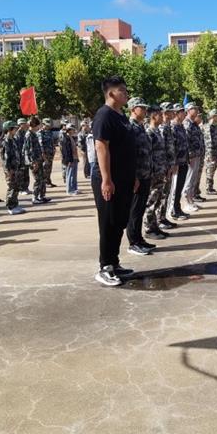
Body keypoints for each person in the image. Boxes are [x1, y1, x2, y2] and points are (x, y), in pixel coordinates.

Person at [91, 75, 137, 286]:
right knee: (108, 223)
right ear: (111, 93)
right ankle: (105, 267)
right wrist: (106, 179)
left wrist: (133, 177)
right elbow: (101, 147)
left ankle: (114, 262)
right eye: (122, 90)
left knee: (119, 222)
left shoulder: (121, 115)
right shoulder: (104, 115)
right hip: (109, 179)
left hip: (124, 179)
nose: (126, 94)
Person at [125, 97, 155, 256]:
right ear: (133, 109)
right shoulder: (130, 127)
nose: (144, 110)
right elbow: (130, 154)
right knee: (134, 210)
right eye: (141, 108)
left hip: (145, 174)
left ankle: (139, 238)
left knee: (141, 208)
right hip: (137, 176)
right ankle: (133, 242)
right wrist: (134, 176)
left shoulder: (140, 126)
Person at [144, 104, 171, 241]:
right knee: (151, 200)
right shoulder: (149, 133)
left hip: (161, 171)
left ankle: (154, 226)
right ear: (153, 116)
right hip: (154, 173)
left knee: (158, 200)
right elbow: (148, 155)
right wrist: (153, 172)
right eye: (160, 115)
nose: (162, 117)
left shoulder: (157, 131)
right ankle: (149, 228)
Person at [156, 104, 178, 231]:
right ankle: (159, 219)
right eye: (170, 111)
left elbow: (171, 147)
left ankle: (163, 217)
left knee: (166, 192)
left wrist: (173, 163)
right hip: (163, 166)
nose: (173, 113)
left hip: (169, 165)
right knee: (162, 194)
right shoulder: (162, 128)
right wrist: (168, 165)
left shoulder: (168, 127)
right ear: (165, 113)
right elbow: (162, 149)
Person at [182, 102, 204, 212]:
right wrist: (189, 155)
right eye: (194, 108)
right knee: (189, 179)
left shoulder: (193, 123)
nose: (196, 110)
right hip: (191, 156)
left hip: (197, 154)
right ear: (188, 110)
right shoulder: (187, 123)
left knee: (193, 179)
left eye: (196, 108)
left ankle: (190, 200)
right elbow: (186, 141)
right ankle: (186, 202)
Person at [0, 121, 26, 215]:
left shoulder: (13, 139)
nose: (16, 130)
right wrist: (9, 170)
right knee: (11, 187)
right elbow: (5, 158)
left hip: (16, 167)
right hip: (10, 169)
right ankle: (10, 206)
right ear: (9, 129)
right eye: (14, 128)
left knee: (16, 187)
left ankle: (15, 204)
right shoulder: (5, 141)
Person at [170, 103, 190, 221]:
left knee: (180, 187)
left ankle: (178, 208)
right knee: (175, 188)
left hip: (184, 161)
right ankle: (173, 211)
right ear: (176, 113)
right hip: (177, 164)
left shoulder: (181, 126)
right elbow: (172, 147)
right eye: (182, 112)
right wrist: (174, 163)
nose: (184, 114)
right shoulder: (172, 127)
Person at [26, 117, 49, 205]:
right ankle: (35, 197)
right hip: (34, 162)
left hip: (39, 160)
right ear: (34, 125)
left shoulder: (34, 134)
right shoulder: (29, 135)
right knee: (37, 179)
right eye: (38, 125)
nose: (39, 127)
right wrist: (33, 162)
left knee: (42, 178)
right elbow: (30, 150)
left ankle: (41, 196)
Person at [203, 109, 217, 196]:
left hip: (214, 153)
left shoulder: (214, 127)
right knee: (210, 170)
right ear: (213, 116)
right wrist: (211, 154)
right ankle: (209, 188)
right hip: (210, 154)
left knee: (212, 170)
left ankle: (210, 187)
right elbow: (209, 142)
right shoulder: (208, 127)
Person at [60, 123, 80, 195]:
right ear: (69, 130)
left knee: (74, 175)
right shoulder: (65, 138)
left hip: (75, 158)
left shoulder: (71, 137)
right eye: (72, 129)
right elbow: (66, 151)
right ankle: (69, 190)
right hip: (70, 159)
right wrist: (68, 160)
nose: (74, 131)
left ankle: (74, 188)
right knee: (70, 174)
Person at [40, 118, 58, 188]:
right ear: (43, 124)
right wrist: (43, 155)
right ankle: (44, 182)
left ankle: (48, 181)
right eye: (46, 125)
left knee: (49, 168)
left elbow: (52, 142)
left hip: (50, 154)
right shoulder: (40, 133)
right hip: (45, 154)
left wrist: (54, 149)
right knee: (45, 168)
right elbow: (41, 145)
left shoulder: (50, 132)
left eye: (48, 125)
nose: (48, 126)